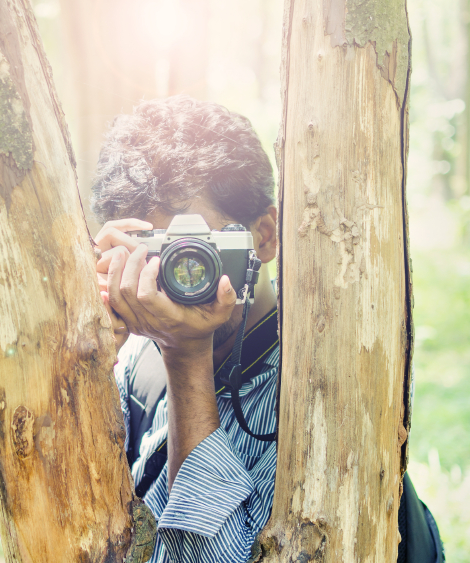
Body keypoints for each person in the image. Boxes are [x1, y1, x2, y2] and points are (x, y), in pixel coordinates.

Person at [90, 95, 443, 562]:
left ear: (265, 235)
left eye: (194, 250)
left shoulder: (324, 396)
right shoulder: (136, 355)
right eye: (152, 253)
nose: (173, 279)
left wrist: (186, 358)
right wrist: (83, 355)